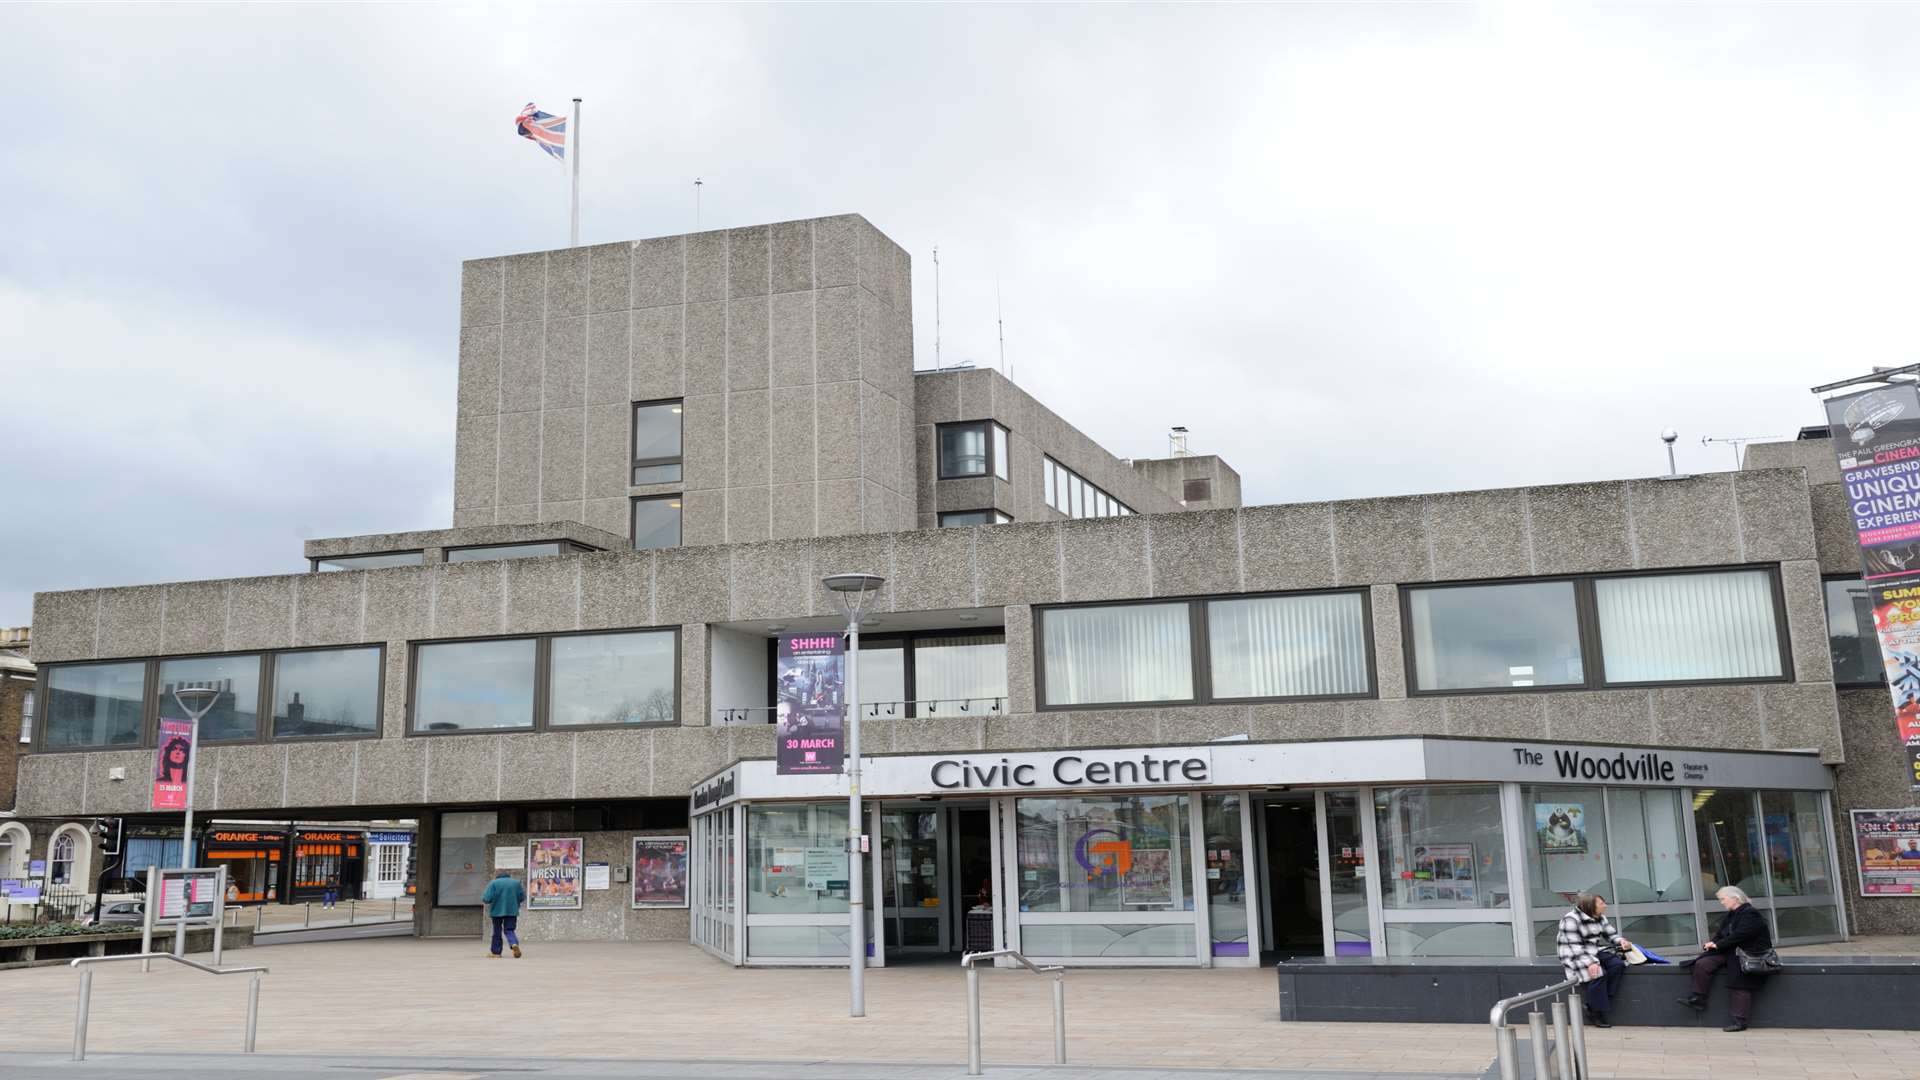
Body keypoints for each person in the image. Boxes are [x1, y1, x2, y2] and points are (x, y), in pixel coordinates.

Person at [1677, 886, 1772, 1031]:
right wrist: (1712, 943)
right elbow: (1722, 933)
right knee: (1703, 963)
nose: (1721, 902)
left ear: (1735, 898)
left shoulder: (1750, 914)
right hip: (1730, 951)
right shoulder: (1732, 914)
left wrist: (1717, 944)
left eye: (1723, 899)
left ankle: (1740, 1021)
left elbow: (1740, 935)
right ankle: (1699, 998)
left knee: (1739, 984)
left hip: (1748, 954)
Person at [1556, 892, 1633, 1028]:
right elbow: (1575, 947)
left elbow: (1611, 935)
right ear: (1590, 906)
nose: (1605, 906)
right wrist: (1590, 963)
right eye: (1601, 903)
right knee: (1598, 973)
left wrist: (1621, 941)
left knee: (1617, 964)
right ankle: (1596, 1012)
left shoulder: (1600, 917)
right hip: (1572, 954)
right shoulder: (1571, 920)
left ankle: (1596, 1002)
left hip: (1592, 950)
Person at [481, 870, 526, 959]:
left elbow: (486, 898)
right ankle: (513, 943)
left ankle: (496, 953)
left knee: (497, 931)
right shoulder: (516, 883)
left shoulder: (494, 883)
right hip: (512, 911)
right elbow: (522, 897)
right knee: (509, 929)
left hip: (497, 912)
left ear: (497, 876)